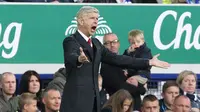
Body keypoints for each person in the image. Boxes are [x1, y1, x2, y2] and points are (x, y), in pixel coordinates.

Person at [61, 6, 170, 112]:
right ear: (80, 21)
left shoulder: (96, 43)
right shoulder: (71, 41)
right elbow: (71, 57)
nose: (96, 21)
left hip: (94, 102)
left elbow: (118, 59)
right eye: (92, 18)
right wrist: (79, 59)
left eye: (97, 19)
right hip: (76, 102)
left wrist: (148, 62)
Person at [101, 33, 147, 111]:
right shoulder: (105, 66)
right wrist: (141, 88)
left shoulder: (125, 60)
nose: (112, 45)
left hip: (135, 105)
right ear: (103, 46)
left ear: (118, 43)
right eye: (108, 43)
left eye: (114, 41)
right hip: (119, 107)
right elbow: (120, 87)